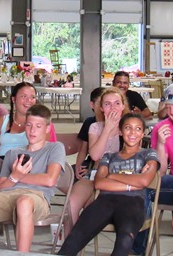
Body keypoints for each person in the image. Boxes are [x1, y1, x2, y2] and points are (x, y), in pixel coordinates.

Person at [57, 113, 160, 256]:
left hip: (133, 203)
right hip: (105, 201)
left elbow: (144, 181)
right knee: (73, 241)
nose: (132, 133)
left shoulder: (149, 154)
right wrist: (132, 183)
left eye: (137, 129)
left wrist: (112, 176)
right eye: (128, 128)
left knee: (123, 244)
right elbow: (99, 183)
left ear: (143, 134)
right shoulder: (109, 156)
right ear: (120, 131)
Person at [0, 104, 65, 252]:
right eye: (29, 125)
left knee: (24, 201)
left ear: (47, 128)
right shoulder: (12, 153)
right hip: (5, 198)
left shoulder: (54, 148)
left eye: (38, 126)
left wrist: (19, 176)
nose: (32, 130)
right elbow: (0, 187)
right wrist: (14, 177)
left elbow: (50, 180)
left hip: (36, 197)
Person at [66, 87, 128, 236]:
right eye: (107, 104)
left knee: (90, 208)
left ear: (123, 106)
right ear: (101, 108)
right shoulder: (95, 126)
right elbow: (94, 155)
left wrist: (118, 128)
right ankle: (68, 247)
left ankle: (77, 241)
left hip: (117, 180)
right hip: (94, 174)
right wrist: (107, 129)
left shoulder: (129, 127)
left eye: (117, 103)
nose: (112, 107)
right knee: (72, 203)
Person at [0, 82, 56, 157]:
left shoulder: (43, 123)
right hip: (2, 164)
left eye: (32, 97)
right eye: (24, 96)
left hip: (30, 164)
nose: (29, 100)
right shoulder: (2, 121)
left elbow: (45, 153)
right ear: (13, 99)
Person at [74, 87, 105, 181]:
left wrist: (92, 170)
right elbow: (83, 149)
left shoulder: (118, 124)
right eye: (100, 103)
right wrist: (78, 167)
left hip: (107, 165)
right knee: (71, 173)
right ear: (92, 105)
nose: (102, 107)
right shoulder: (89, 122)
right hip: (91, 162)